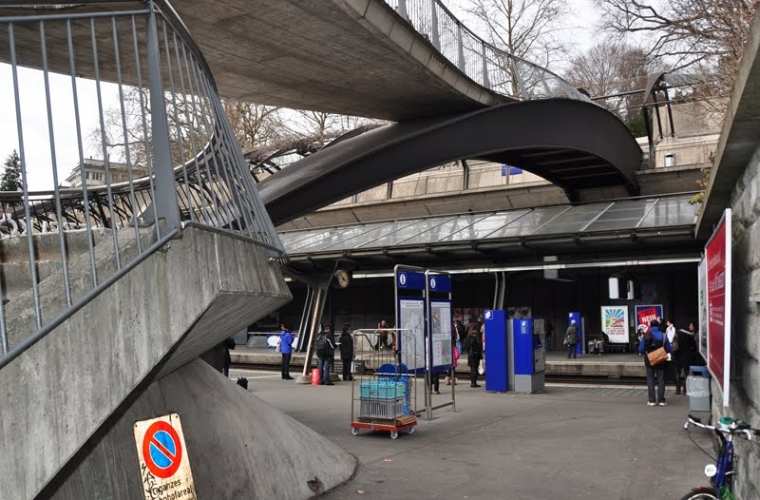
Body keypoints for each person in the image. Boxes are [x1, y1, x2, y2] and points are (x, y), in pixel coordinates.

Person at [638, 319, 672, 406]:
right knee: (661, 380)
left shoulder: (646, 335)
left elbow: (641, 350)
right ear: (658, 325)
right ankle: (661, 400)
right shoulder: (663, 335)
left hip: (649, 360)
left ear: (651, 326)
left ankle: (652, 401)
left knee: (650, 380)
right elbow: (669, 349)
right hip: (660, 360)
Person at [674, 322, 699, 394]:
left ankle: (678, 390)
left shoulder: (677, 334)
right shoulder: (690, 336)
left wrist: (674, 354)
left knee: (678, 374)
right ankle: (685, 390)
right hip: (687, 357)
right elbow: (694, 347)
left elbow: (674, 345)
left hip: (678, 357)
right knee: (686, 375)